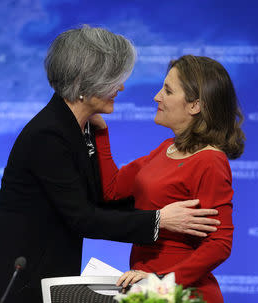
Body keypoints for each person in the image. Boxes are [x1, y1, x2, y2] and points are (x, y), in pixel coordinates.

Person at [0, 27, 220, 303]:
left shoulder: (79, 129)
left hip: (42, 280)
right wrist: (159, 219)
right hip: (15, 285)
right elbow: (82, 216)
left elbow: (101, 199)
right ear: (85, 81)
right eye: (114, 79)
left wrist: (160, 212)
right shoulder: (48, 134)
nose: (120, 87)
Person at [91, 55, 245, 303]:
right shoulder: (166, 148)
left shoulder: (210, 161)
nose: (157, 96)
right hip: (148, 289)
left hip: (180, 293)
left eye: (168, 91)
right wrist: (100, 132)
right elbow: (112, 190)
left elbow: (220, 244)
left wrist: (161, 282)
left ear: (195, 106)